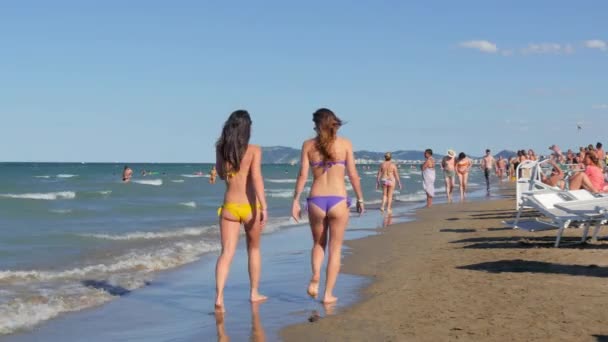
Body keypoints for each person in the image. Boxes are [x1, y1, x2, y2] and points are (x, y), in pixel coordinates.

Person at [291, 108, 364, 304]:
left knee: (318, 244)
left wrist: (295, 200)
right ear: (334, 123)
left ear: (317, 125)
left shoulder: (308, 145)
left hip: (316, 200)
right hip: (339, 200)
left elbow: (302, 176)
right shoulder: (345, 144)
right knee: (335, 248)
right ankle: (328, 294)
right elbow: (353, 175)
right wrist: (360, 198)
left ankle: (315, 276)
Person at [214, 110, 268, 312]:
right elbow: (256, 179)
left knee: (226, 253)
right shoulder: (254, 150)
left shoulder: (221, 148)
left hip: (229, 207)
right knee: (253, 250)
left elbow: (220, 175)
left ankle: (219, 297)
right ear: (247, 129)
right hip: (250, 207)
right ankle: (254, 293)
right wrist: (264, 205)